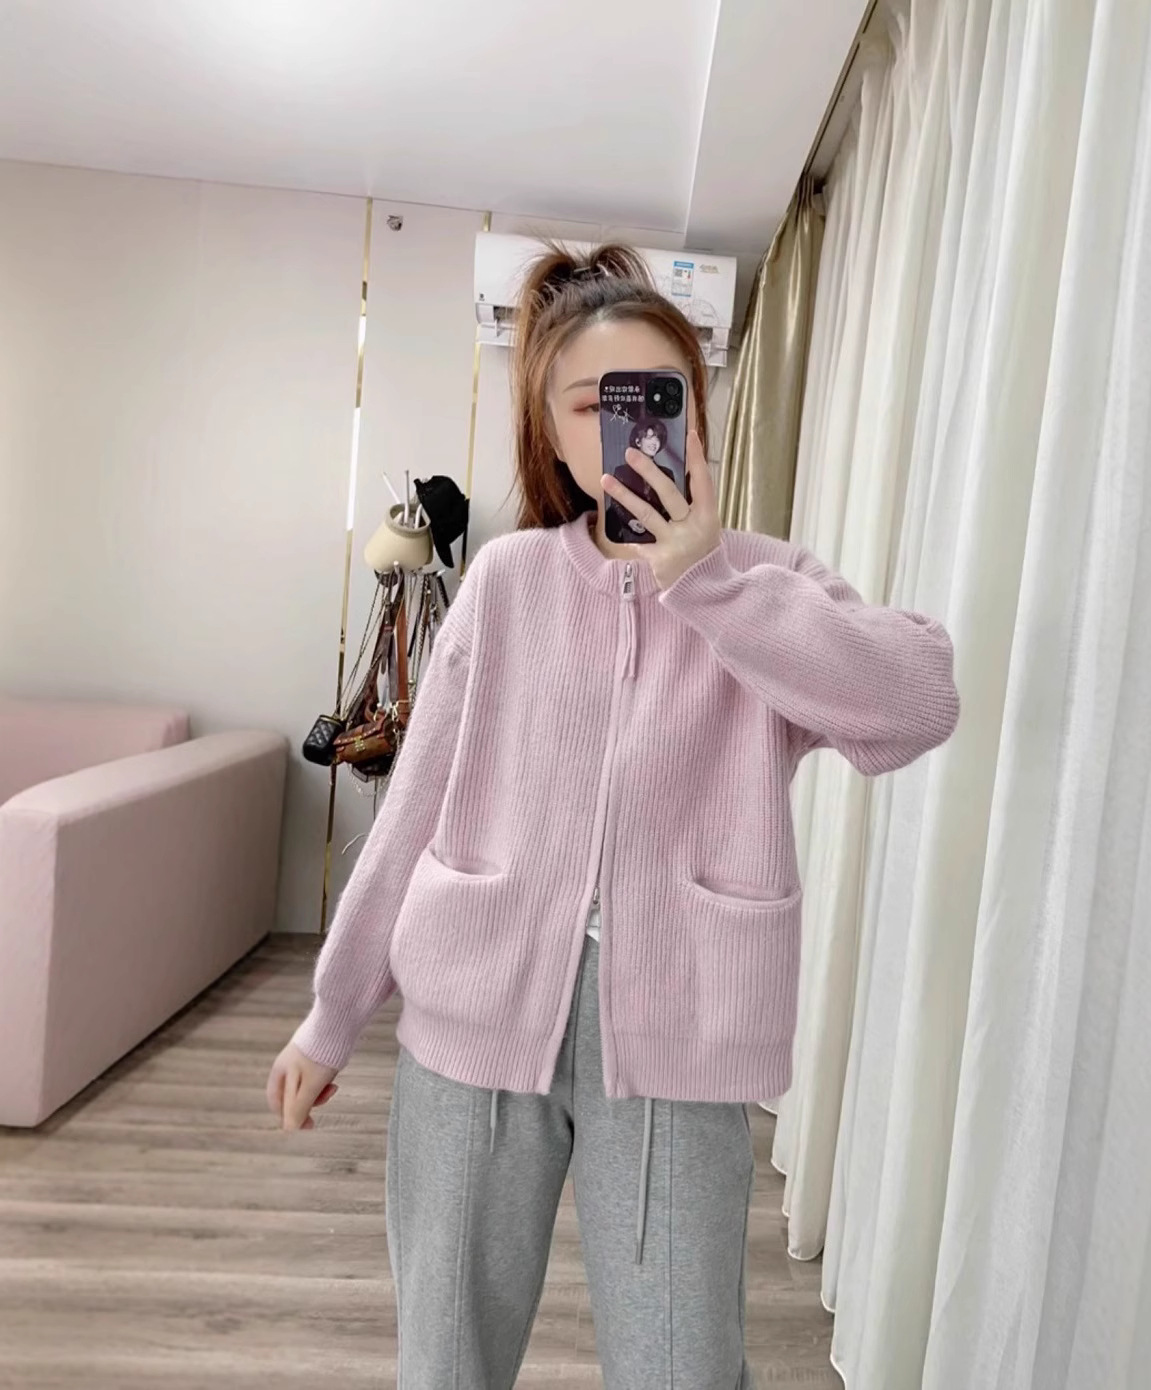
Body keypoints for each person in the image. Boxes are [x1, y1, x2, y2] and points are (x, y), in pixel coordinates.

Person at [266, 243, 960, 1389]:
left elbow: (918, 701)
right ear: (550, 429)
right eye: (592, 402)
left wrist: (712, 584)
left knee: (684, 1364)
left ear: (692, 415)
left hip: (680, 1031)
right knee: (445, 1358)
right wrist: (332, 1014)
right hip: (475, 1016)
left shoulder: (763, 585)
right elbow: (415, 805)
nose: (625, 426)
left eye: (654, 396)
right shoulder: (506, 583)